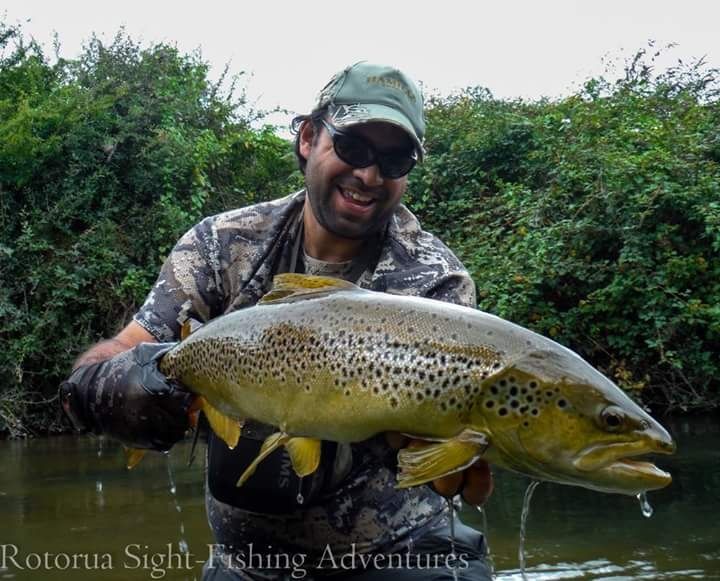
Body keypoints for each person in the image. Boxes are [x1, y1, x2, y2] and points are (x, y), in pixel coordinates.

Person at [60, 62, 494, 580]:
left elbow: (446, 466)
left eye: (395, 159)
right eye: (353, 147)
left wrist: (447, 461)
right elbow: (110, 361)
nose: (370, 175)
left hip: (396, 556)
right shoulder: (223, 244)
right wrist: (133, 388)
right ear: (309, 137)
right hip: (247, 565)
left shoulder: (436, 282)